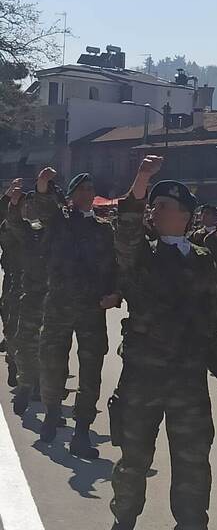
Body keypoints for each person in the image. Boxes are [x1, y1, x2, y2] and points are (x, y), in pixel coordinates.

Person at [104, 155, 217, 530]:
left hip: (188, 381)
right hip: (143, 376)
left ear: (185, 217)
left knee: (194, 464)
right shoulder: (141, 256)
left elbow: (211, 322)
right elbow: (126, 230)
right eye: (154, 204)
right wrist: (142, 179)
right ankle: (122, 528)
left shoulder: (202, 260)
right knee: (133, 459)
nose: (155, 210)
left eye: (164, 206)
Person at [34, 168, 119, 458]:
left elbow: (113, 265)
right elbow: (44, 206)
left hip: (92, 309)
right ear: (70, 196)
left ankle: (82, 429)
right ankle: (52, 412)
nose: (86, 193)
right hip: (59, 304)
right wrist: (43, 185)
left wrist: (114, 293)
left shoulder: (103, 228)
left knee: (91, 370)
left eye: (89, 189)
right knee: (53, 362)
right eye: (80, 189)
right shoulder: (59, 221)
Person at [4, 185, 49, 416]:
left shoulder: (55, 229)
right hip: (28, 292)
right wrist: (12, 202)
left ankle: (42, 390)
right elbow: (12, 224)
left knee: (50, 347)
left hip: (55, 296)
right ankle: (24, 381)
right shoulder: (27, 230)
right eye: (28, 203)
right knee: (24, 341)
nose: (32, 207)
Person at [0, 181, 23, 388]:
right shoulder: (7, 226)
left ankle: (34, 380)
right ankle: (13, 365)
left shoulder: (35, 227)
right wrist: (7, 198)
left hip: (38, 282)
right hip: (14, 280)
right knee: (11, 322)